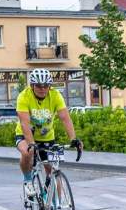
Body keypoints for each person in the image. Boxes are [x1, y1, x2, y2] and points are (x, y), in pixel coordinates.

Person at [14, 68, 82, 197]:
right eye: (39, 86)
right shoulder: (24, 96)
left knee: (53, 170)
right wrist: (31, 143)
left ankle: (59, 207)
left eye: (46, 86)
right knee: (27, 152)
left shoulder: (55, 95)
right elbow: (24, 123)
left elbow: (65, 118)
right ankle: (28, 181)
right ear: (32, 85)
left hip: (47, 137)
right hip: (25, 134)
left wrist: (73, 139)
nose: (42, 89)